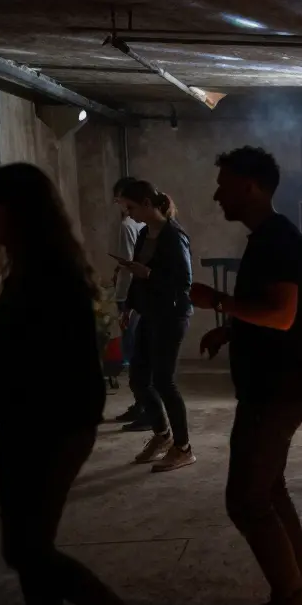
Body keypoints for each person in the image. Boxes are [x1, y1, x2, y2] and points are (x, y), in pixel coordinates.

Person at [0, 164, 161, 605]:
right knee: (29, 548)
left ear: (18, 210)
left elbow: (38, 358)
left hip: (50, 426)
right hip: (38, 421)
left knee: (26, 549)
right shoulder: (37, 267)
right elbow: (30, 347)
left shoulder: (48, 273)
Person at [189, 146, 302, 605]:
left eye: (224, 184)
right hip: (273, 385)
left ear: (250, 186)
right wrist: (229, 330)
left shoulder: (277, 238)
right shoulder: (268, 238)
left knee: (246, 500)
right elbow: (267, 308)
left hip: (276, 390)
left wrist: (218, 302)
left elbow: (283, 315)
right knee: (269, 492)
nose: (217, 194)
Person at [117, 180, 196, 472]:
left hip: (172, 316)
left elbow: (184, 282)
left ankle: (183, 448)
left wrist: (149, 273)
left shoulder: (174, 236)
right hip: (149, 314)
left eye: (131, 207)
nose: (129, 213)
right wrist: (129, 306)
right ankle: (163, 435)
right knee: (139, 378)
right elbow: (138, 275)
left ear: (147, 204)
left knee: (163, 381)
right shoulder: (143, 234)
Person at [111, 176, 145, 424]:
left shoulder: (127, 225)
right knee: (140, 353)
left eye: (118, 199)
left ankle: (143, 406)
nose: (119, 205)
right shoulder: (145, 226)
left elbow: (129, 262)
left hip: (129, 294)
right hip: (140, 295)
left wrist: (120, 269)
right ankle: (142, 404)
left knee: (134, 354)